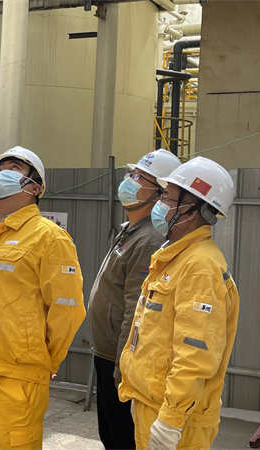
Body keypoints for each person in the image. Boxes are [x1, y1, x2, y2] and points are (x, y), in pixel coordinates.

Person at [0, 146, 86, 449]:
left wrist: (42, 360)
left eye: (13, 169)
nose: (1, 176)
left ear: (35, 188)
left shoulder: (49, 236)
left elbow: (67, 309)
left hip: (15, 377)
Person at [118, 157, 240, 450]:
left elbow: (194, 354)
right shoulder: (175, 257)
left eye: (168, 198)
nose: (161, 204)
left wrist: (170, 420)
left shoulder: (200, 267)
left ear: (193, 209)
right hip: (152, 405)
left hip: (177, 420)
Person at [88, 149, 181, 450]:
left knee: (121, 437)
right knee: (110, 433)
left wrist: (122, 366)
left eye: (140, 177)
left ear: (160, 194)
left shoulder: (150, 238)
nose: (130, 180)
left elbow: (135, 309)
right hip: (107, 353)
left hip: (120, 361)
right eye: (133, 174)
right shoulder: (132, 231)